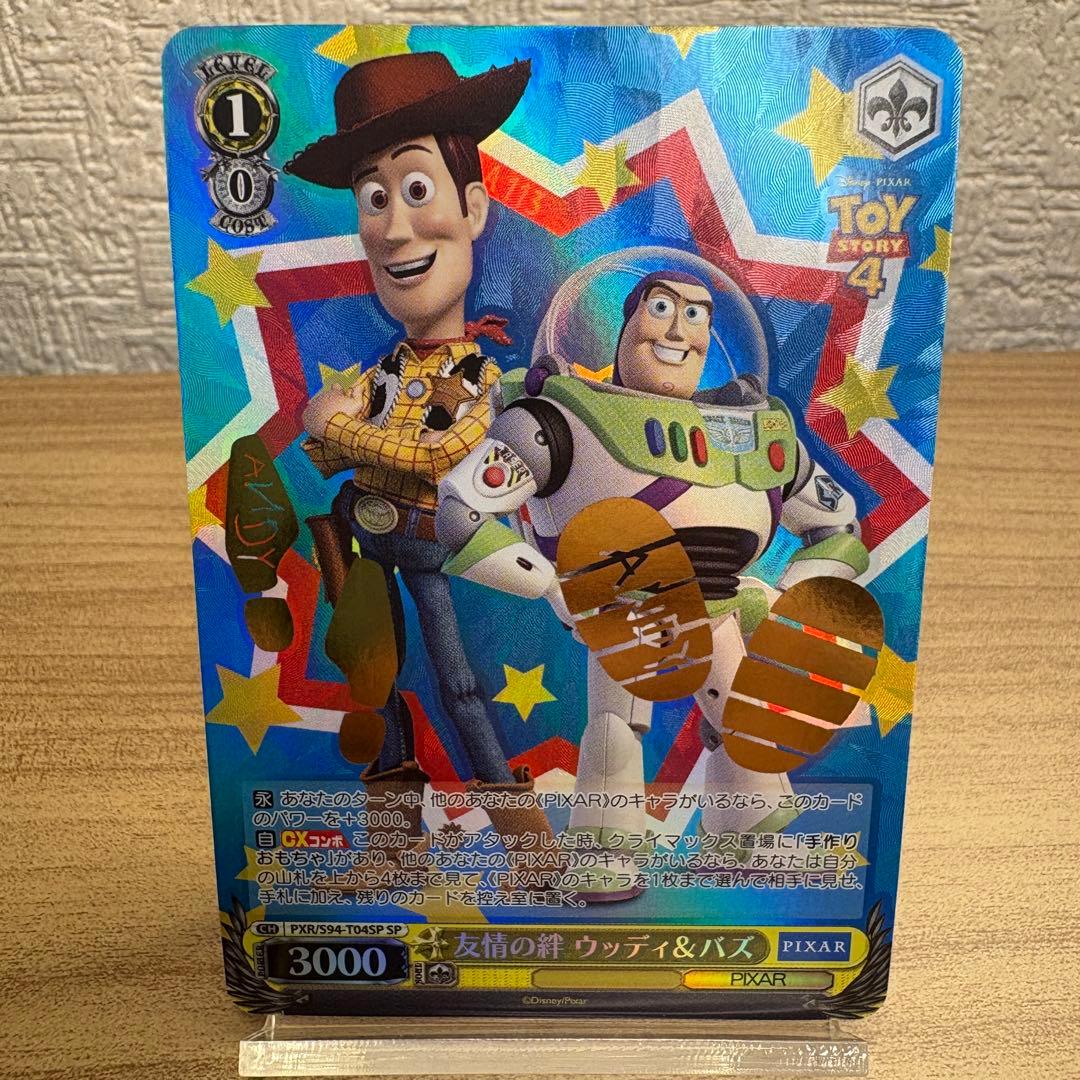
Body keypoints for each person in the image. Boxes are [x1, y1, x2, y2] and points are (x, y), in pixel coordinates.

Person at [435, 262, 878, 901]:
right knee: (618, 727)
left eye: (696, 315)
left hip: (723, 603)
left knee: (743, 724)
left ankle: (740, 837)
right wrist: (550, 585)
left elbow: (838, 528)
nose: (678, 331)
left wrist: (792, 596)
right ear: (627, 322)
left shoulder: (758, 432)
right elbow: (462, 512)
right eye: (662, 308)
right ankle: (605, 851)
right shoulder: (559, 419)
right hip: (625, 598)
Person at [286, 52, 557, 880]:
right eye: (374, 199)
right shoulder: (385, 371)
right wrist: (334, 429)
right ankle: (395, 847)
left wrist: (344, 429)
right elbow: (316, 447)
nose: (395, 229)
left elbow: (441, 454)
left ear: (473, 208)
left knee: (460, 687)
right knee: (374, 684)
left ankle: (532, 854)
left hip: (433, 541)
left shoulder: (478, 374)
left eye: (414, 188)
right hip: (363, 545)